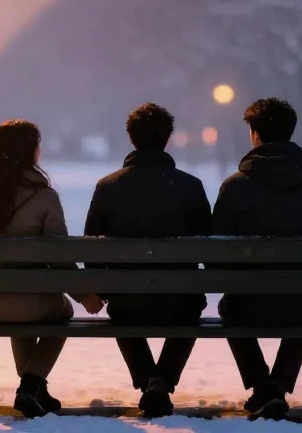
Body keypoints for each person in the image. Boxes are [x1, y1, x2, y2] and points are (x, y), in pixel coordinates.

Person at [211, 97, 302, 421]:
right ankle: (278, 384)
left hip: (248, 301)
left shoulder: (235, 187)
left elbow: (215, 253)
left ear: (255, 134)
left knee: (230, 309)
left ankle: (263, 386)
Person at [0, 120, 103, 418]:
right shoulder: (45, 197)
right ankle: (30, 385)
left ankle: (36, 388)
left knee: (22, 304)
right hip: (32, 300)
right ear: (32, 152)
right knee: (60, 312)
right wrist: (83, 296)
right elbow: (60, 256)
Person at [83, 103, 212, 418]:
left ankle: (150, 379)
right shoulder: (190, 186)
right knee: (190, 308)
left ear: (131, 138)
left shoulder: (109, 187)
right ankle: (161, 380)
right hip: (180, 301)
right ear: (167, 138)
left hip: (127, 301)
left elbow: (90, 250)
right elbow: (209, 248)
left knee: (122, 308)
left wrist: (102, 288)